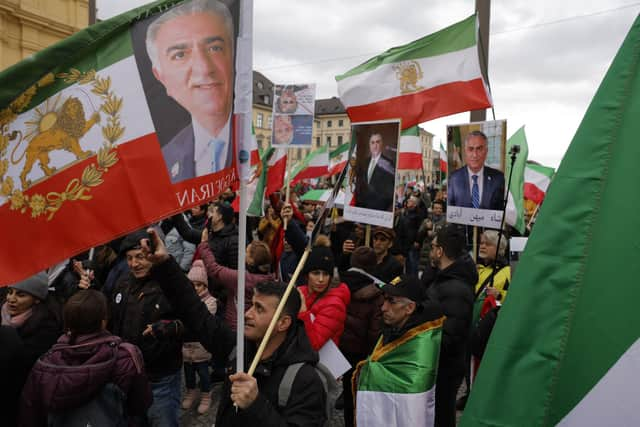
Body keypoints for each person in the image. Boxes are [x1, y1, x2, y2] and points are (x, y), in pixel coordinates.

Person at [142, 229, 328, 426]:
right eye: (251, 305)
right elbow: (195, 313)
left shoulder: (305, 381)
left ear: (283, 323)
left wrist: (256, 405)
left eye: (259, 309)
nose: (247, 314)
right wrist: (164, 264)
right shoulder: (239, 348)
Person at [19, 290, 152, 426]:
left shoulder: (46, 364)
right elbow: (141, 405)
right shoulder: (126, 358)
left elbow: (30, 413)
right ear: (103, 322)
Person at [145, 0, 235, 183]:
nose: (203, 68)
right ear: (161, 76)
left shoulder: (250, 150)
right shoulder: (164, 162)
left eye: (214, 48)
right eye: (180, 55)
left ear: (233, 55)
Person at [110, 230, 185, 427]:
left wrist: (170, 328)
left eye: (140, 257)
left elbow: (193, 322)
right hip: (129, 376)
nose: (134, 264)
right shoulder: (123, 282)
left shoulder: (172, 282)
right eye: (129, 258)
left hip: (161, 379)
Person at [352, 275, 444, 427]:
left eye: (392, 301)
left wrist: (372, 370)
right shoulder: (392, 329)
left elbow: (412, 388)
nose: (383, 307)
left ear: (410, 308)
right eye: (385, 299)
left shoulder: (421, 343)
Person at [424, 224, 477, 427]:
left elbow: (450, 336)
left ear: (440, 251)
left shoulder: (456, 289)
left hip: (444, 368)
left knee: (441, 416)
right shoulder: (444, 278)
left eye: (433, 246)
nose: (431, 251)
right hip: (439, 366)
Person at [1, 272, 62, 427]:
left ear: (36, 299)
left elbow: (19, 368)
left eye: (21, 295)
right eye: (10, 292)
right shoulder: (3, 315)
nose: (11, 299)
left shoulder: (46, 328)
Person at [339, 246, 384, 427]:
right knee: (359, 398)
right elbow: (375, 331)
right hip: (361, 355)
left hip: (338, 349)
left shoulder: (335, 284)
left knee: (347, 394)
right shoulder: (376, 293)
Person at [198, 232, 275, 331]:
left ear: (251, 261)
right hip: (256, 329)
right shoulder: (271, 279)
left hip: (236, 328)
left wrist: (204, 245)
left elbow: (214, 270)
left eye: (246, 252)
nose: (243, 253)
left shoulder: (241, 278)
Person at [297, 239, 351, 351]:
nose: (321, 279)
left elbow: (313, 344)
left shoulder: (335, 305)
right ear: (307, 275)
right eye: (316, 273)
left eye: (325, 274)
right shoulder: (300, 291)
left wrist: (303, 312)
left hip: (317, 364)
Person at [182, 260, 217, 414]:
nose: (196, 288)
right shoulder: (184, 300)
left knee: (203, 374)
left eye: (199, 285)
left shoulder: (211, 302)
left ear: (205, 286)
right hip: (186, 350)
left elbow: (201, 322)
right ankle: (191, 391)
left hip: (202, 349)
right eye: (193, 285)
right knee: (188, 374)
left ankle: (205, 395)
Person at [447, 131, 505, 210]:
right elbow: (450, 210)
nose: (475, 155)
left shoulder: (498, 178)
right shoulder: (454, 178)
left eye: (479, 149)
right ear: (465, 151)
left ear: (486, 151)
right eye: (470, 149)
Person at [355, 132, 396, 211]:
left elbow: (389, 193)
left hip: (378, 211)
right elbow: (360, 186)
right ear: (370, 145)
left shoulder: (389, 164)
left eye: (378, 142)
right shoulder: (364, 162)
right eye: (372, 142)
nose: (375, 145)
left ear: (382, 144)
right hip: (362, 209)